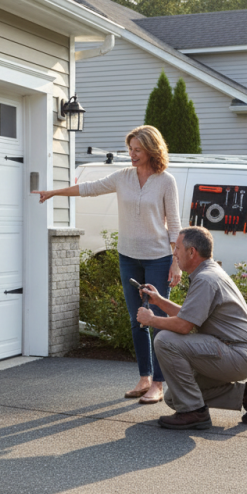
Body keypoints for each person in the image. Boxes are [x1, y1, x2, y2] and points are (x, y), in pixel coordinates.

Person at [34, 125, 181, 403]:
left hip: (159, 259)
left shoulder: (165, 181)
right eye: (130, 149)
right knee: (137, 319)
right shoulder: (122, 177)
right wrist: (54, 193)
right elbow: (89, 188)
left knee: (159, 321)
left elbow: (174, 224)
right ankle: (144, 378)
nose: (132, 154)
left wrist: (176, 263)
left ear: (151, 150)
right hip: (128, 256)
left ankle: (159, 384)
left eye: (137, 150)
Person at [136, 226, 247, 430]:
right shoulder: (208, 272)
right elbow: (190, 316)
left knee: (164, 340)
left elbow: (183, 325)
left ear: (192, 251)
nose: (175, 253)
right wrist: (159, 301)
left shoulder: (206, 279)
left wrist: (151, 319)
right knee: (174, 397)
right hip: (235, 351)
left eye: (177, 248)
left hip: (237, 353)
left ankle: (194, 413)